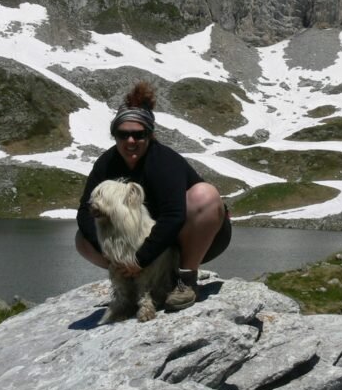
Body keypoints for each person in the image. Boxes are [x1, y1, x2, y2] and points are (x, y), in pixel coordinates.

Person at [75, 80, 231, 310]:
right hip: (149, 244)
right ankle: (130, 283)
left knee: (204, 195)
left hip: (195, 238)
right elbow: (85, 211)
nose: (130, 141)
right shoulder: (106, 164)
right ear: (114, 135)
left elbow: (174, 216)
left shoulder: (165, 161)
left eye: (138, 135)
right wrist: (113, 256)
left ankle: (184, 281)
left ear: (150, 135)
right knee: (82, 239)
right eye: (122, 134)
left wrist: (140, 260)